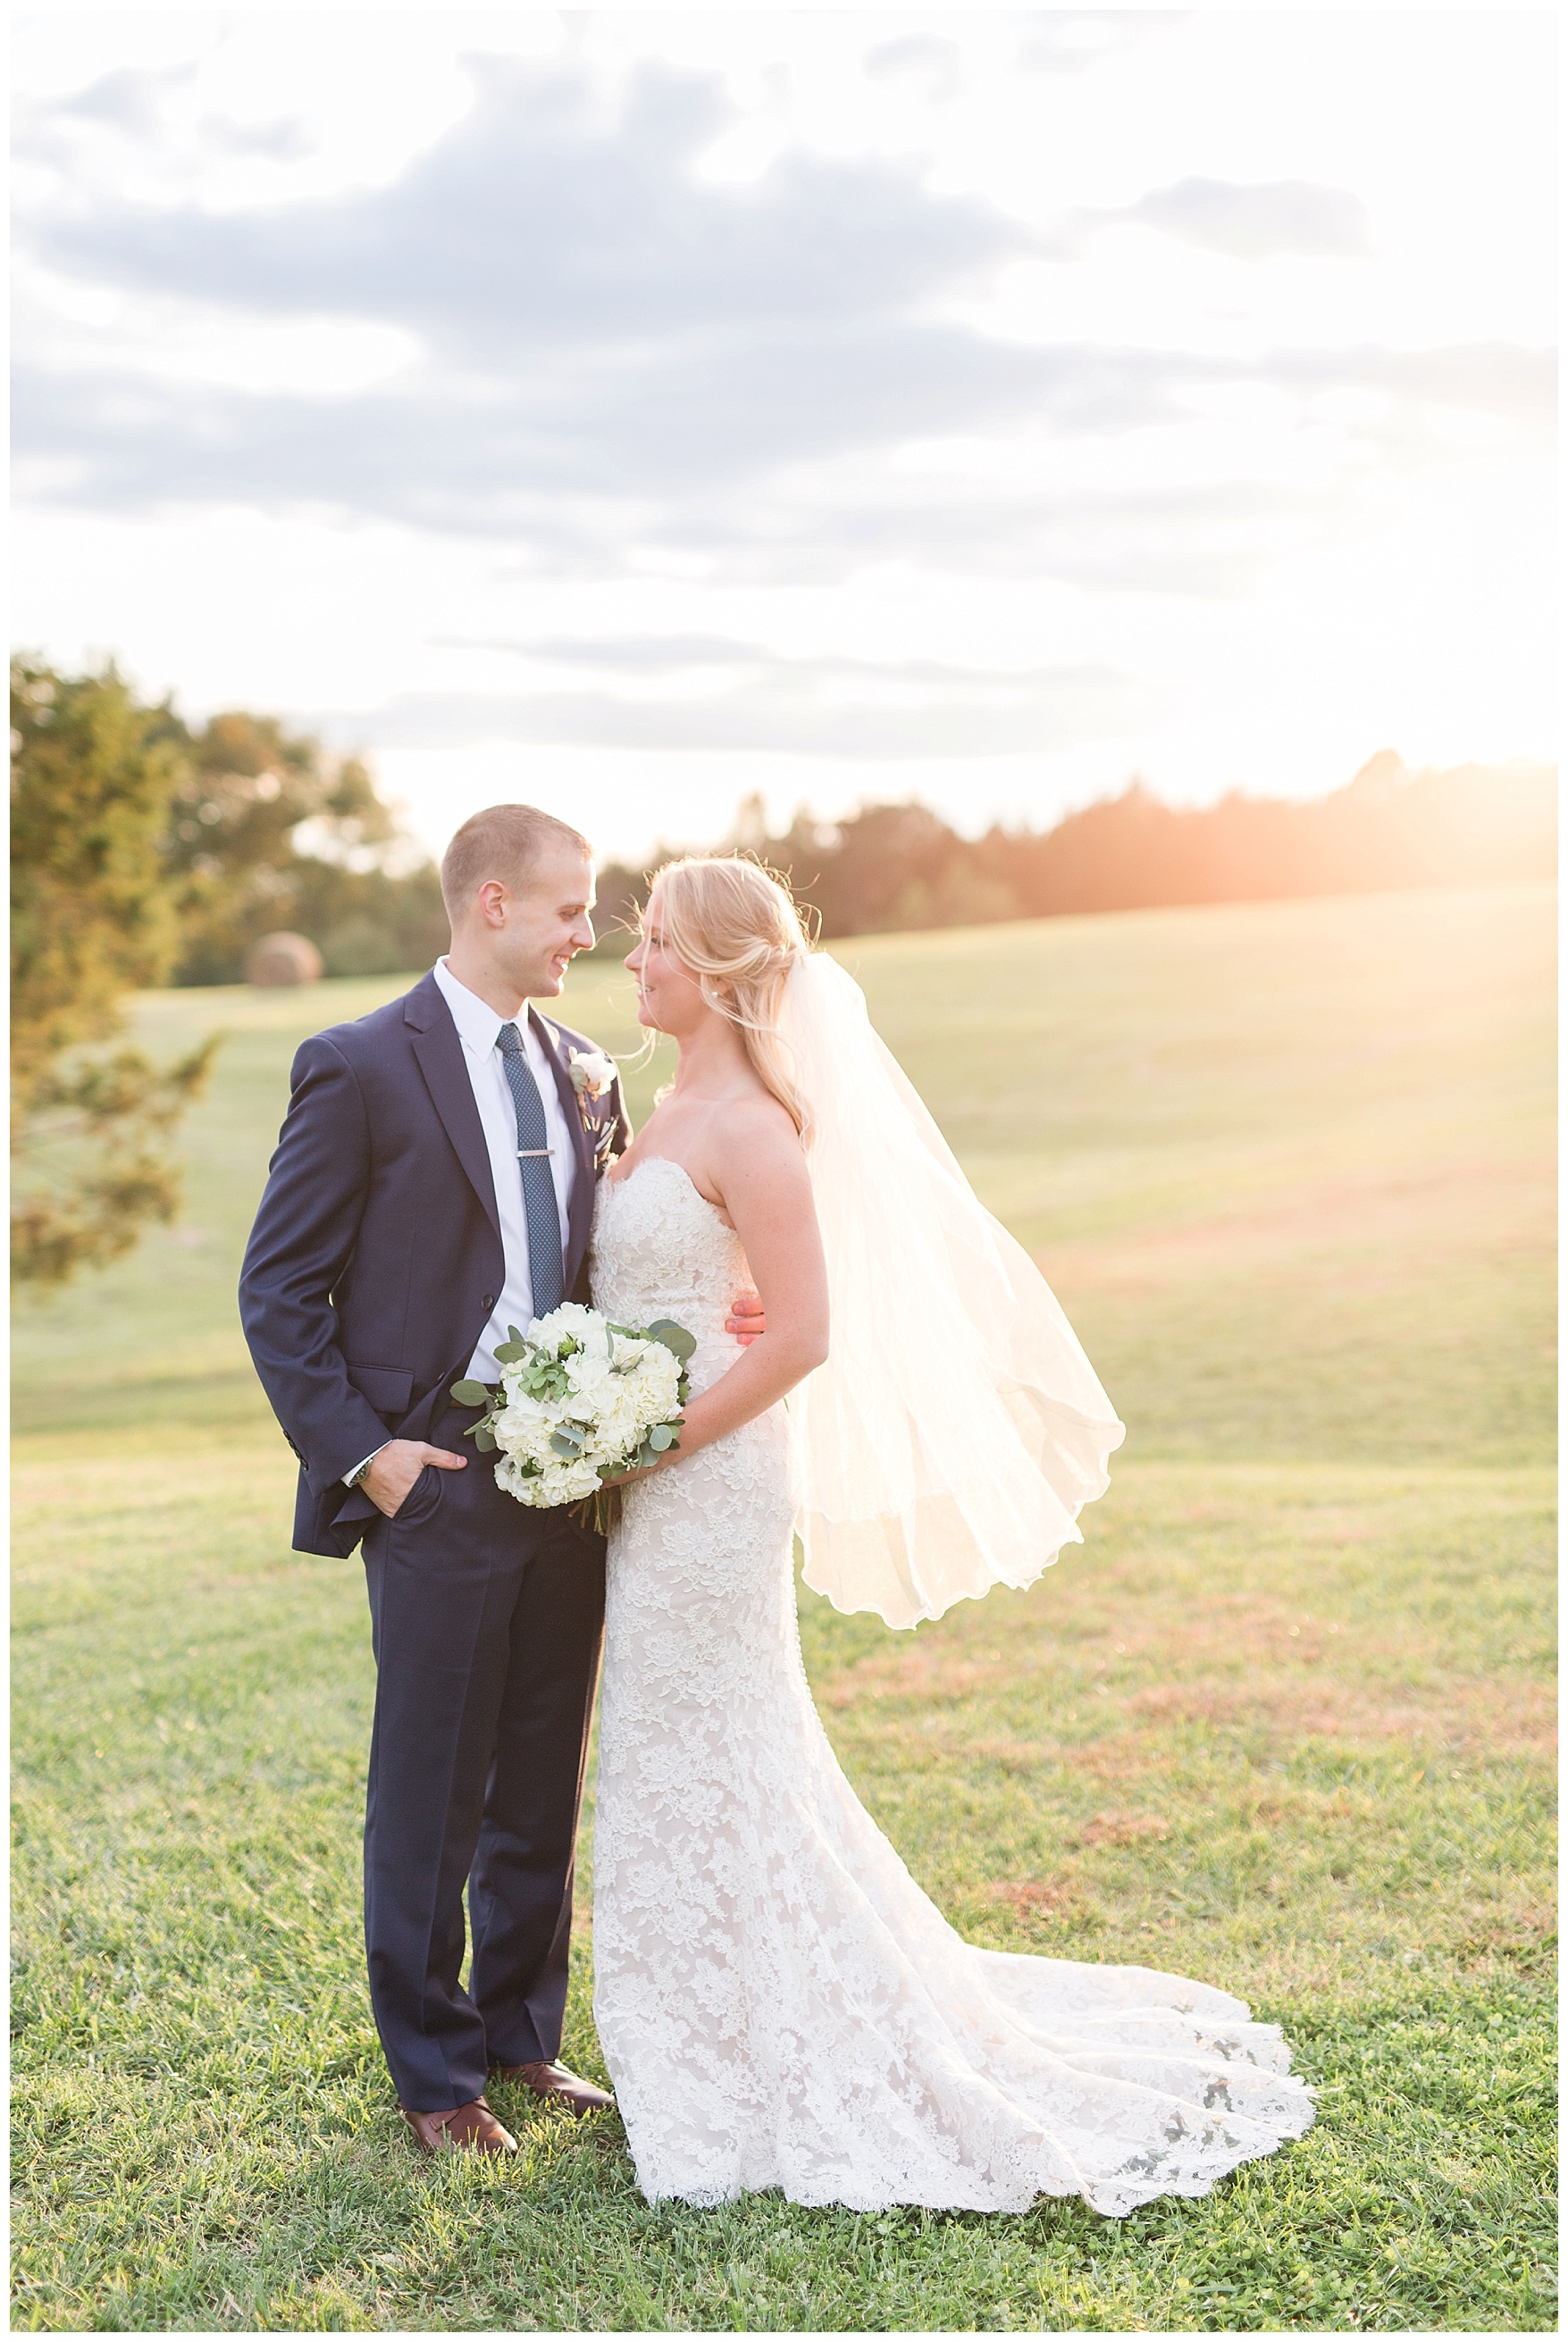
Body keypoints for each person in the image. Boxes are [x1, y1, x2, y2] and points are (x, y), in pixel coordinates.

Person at [587, 854, 1315, 2217]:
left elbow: (802, 1331)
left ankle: (769, 2041)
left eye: (658, 943)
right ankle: (705, 2026)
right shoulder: (665, 1099)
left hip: (709, 1479)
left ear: (728, 972)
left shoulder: (749, 1121)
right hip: (651, 1475)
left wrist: (653, 1439)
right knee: (671, 1746)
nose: (635, 962)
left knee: (713, 1746)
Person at [238, 806, 765, 2156]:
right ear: (490, 902)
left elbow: (625, 1253)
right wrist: (371, 1456)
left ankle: (522, 2039)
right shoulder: (359, 1064)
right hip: (438, 1483)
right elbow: (281, 1288)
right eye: (572, 911)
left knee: (540, 1772)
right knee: (433, 1785)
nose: (590, 936)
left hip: (576, 1480)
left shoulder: (588, 1067)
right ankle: (434, 2075)